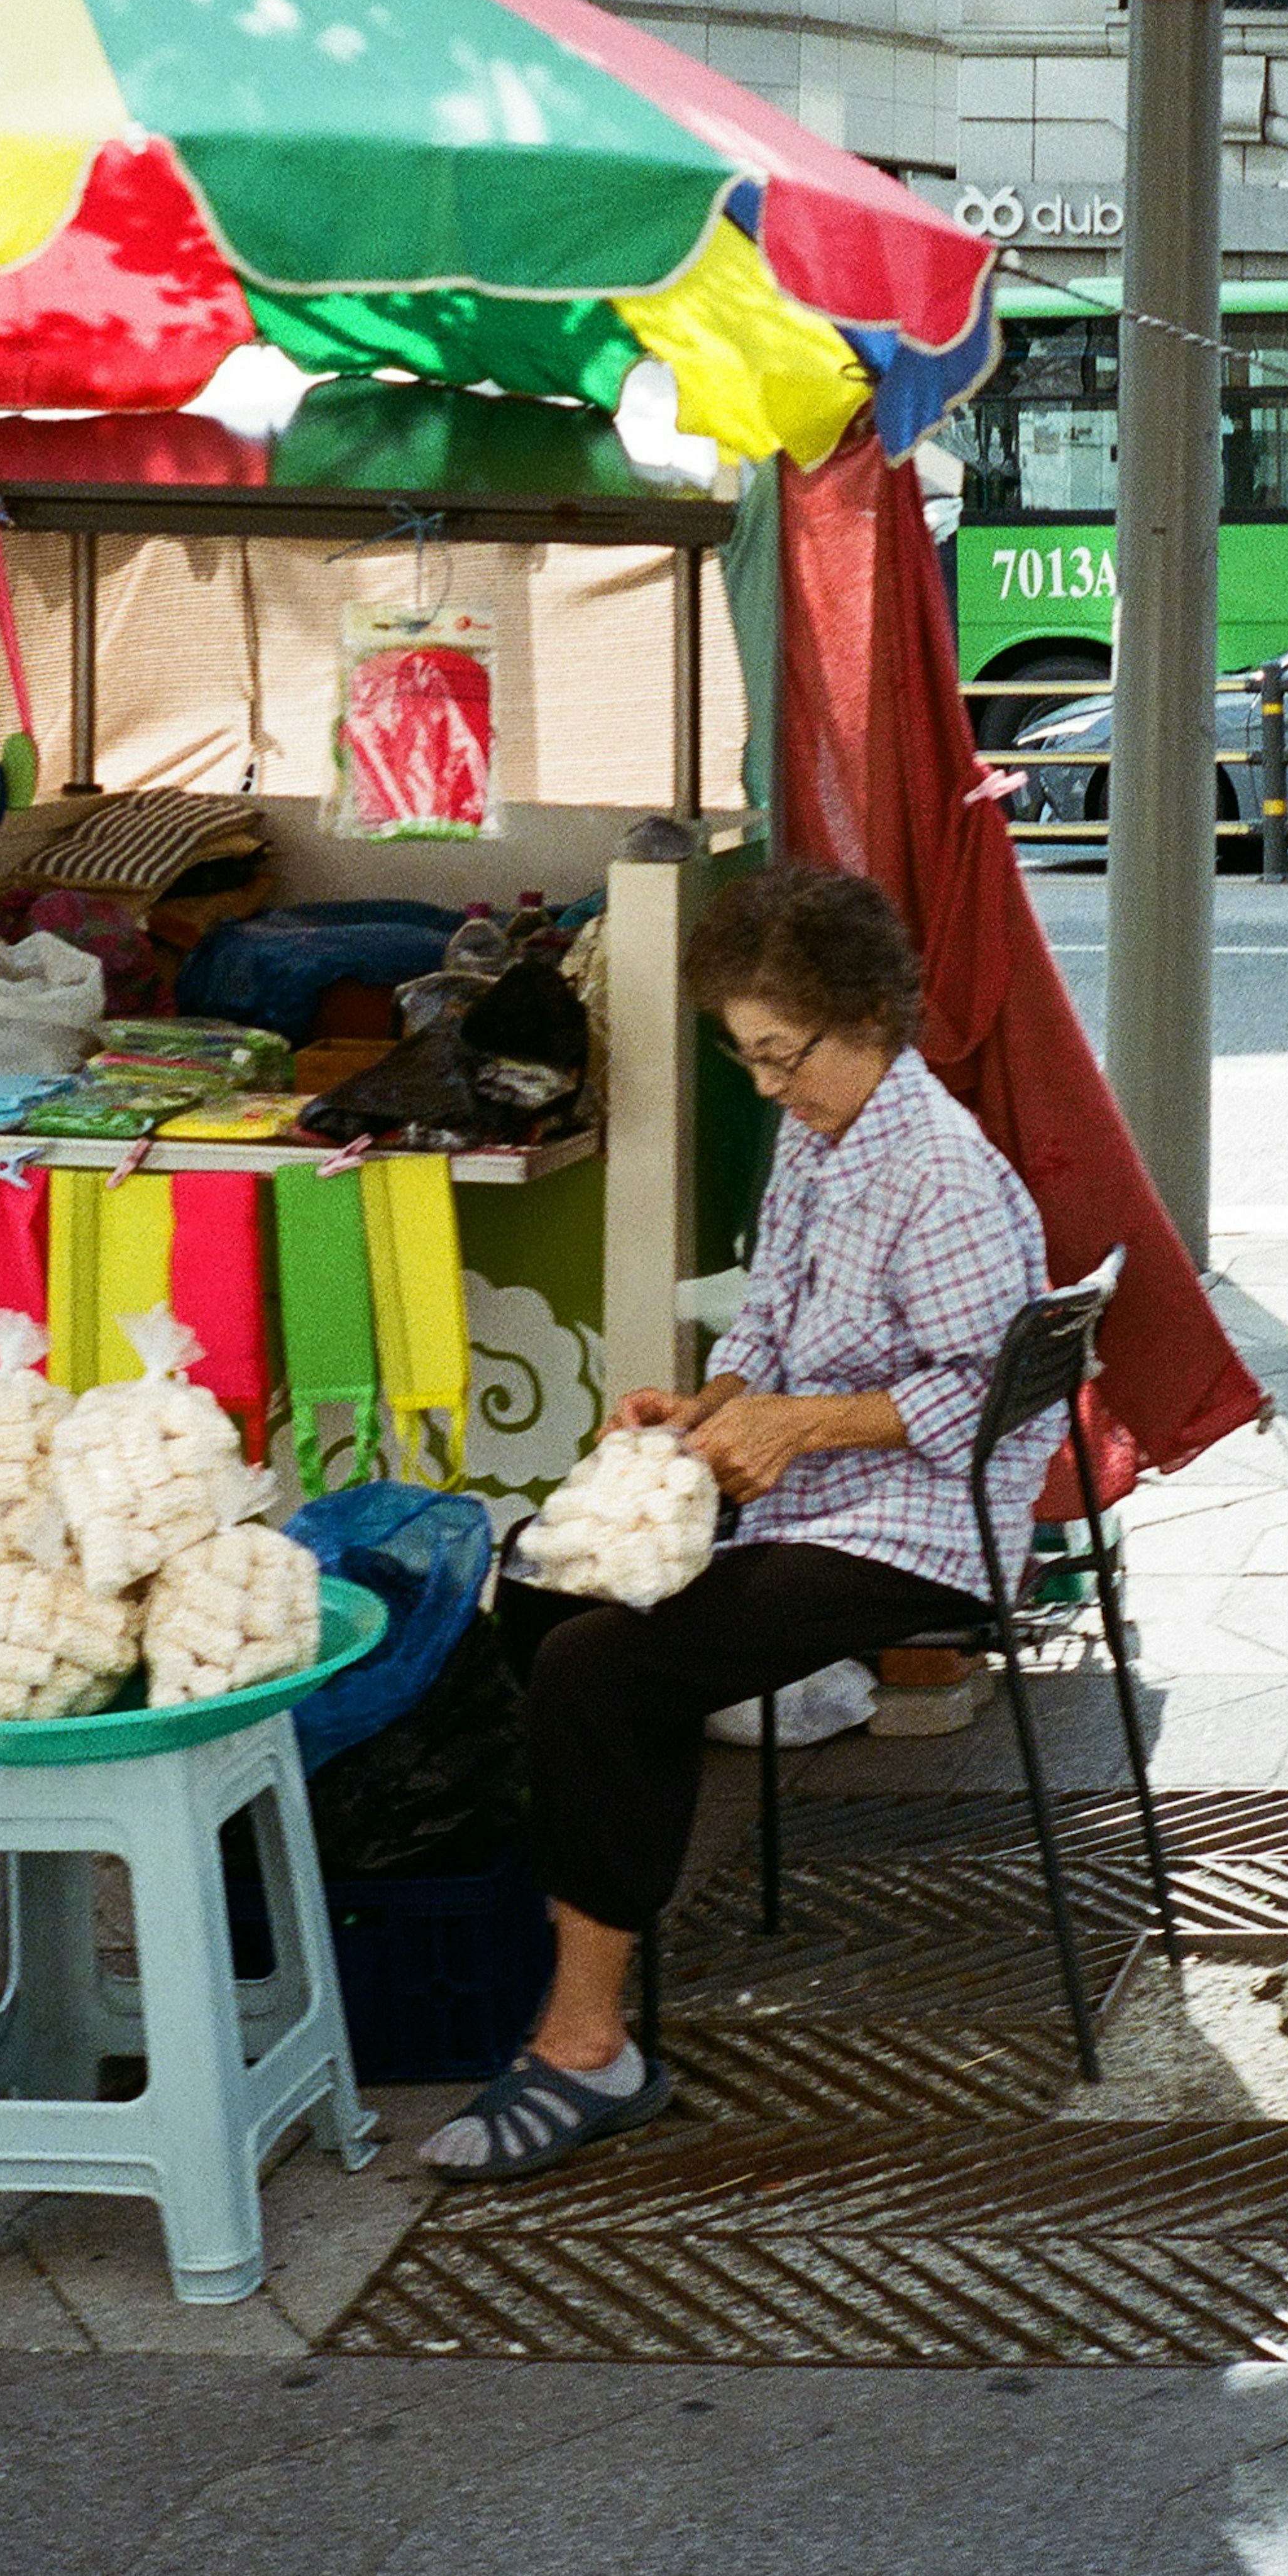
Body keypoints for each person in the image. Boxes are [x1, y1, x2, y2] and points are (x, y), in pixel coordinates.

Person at [419, 865, 1057, 2183]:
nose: (769, 1085)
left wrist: (794, 1428)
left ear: (872, 1016)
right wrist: (697, 1410)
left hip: (925, 1521)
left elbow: (977, 1388)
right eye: (749, 1058)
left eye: (784, 1056)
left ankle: (589, 2040)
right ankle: (561, 1945)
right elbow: (771, 1334)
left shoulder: (937, 1168)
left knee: (606, 1668)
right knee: (536, 1590)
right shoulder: (824, 1141)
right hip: (822, 1488)